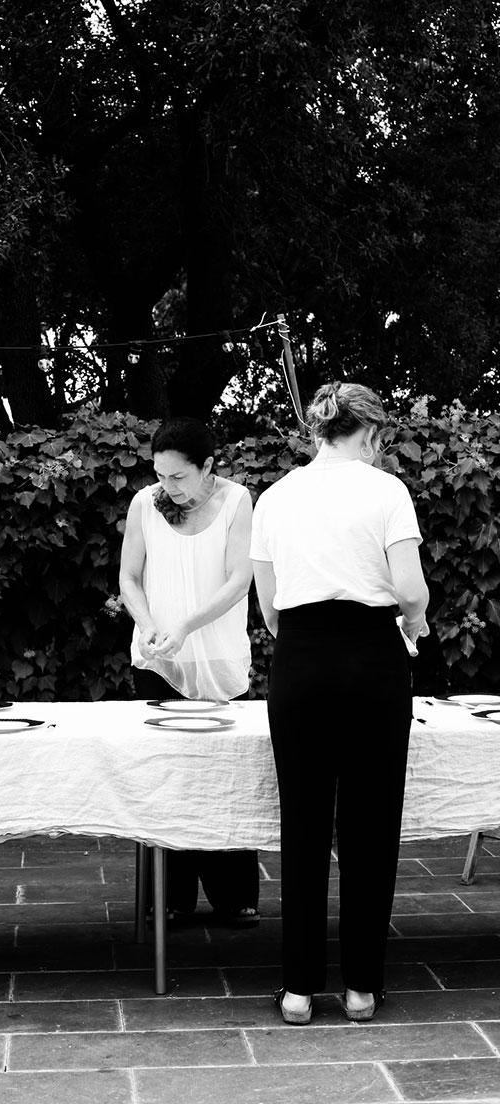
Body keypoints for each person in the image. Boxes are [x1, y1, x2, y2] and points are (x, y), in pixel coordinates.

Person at [251, 381, 429, 1024]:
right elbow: (409, 590)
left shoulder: (274, 496)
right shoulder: (386, 492)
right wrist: (416, 619)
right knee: (370, 826)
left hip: (300, 661)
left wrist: (305, 639)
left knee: (301, 824)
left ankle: (298, 990)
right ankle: (361, 989)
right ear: (372, 435)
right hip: (372, 662)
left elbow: (268, 607)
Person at [119, 416, 260, 924]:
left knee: (225, 777)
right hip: (157, 660)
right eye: (159, 475)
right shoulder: (143, 504)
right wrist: (152, 624)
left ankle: (234, 897)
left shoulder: (238, 501)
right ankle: (170, 899)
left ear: (207, 468)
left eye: (178, 477)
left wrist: (187, 626)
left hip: (219, 660)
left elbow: (238, 581)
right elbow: (128, 578)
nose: (166, 486)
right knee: (167, 778)